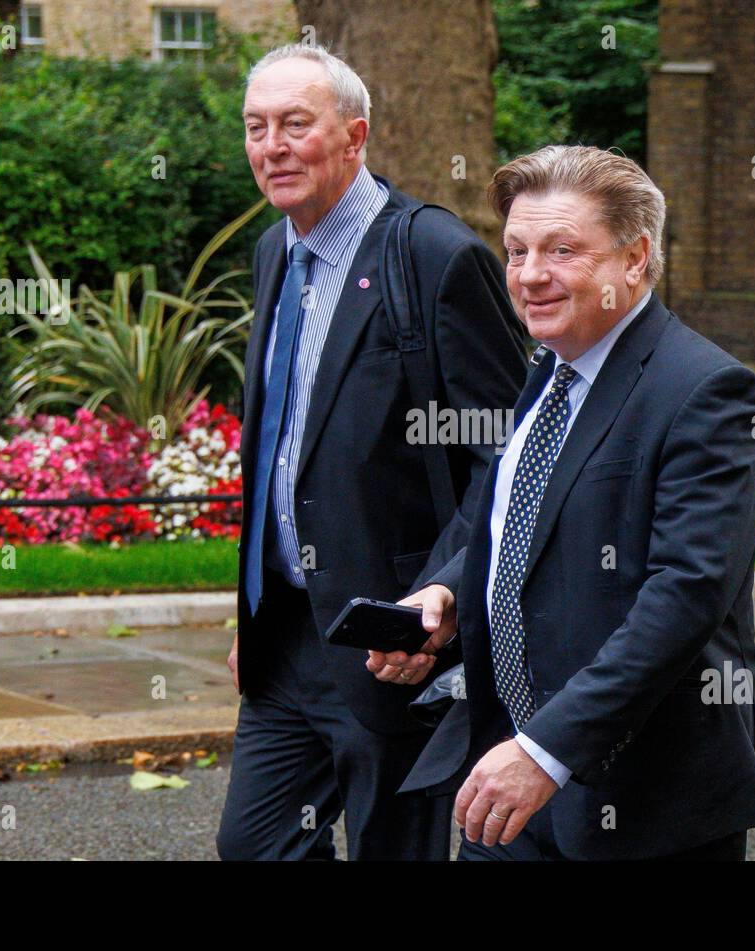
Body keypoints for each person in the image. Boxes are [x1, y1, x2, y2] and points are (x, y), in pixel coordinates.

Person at [377, 145, 755, 860]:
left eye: (562, 250)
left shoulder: (708, 391)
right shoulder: (550, 369)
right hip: (507, 788)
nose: (531, 275)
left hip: (644, 803)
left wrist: (546, 750)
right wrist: (442, 594)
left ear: (634, 259)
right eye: (517, 250)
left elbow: (685, 596)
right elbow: (514, 518)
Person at [216, 44, 526, 860]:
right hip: (283, 637)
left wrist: (444, 597)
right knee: (255, 844)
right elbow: (279, 439)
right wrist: (250, 600)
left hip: (391, 641)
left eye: (294, 124)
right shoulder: (272, 252)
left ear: (354, 136)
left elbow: (507, 457)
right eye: (256, 128)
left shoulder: (434, 256)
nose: (271, 145)